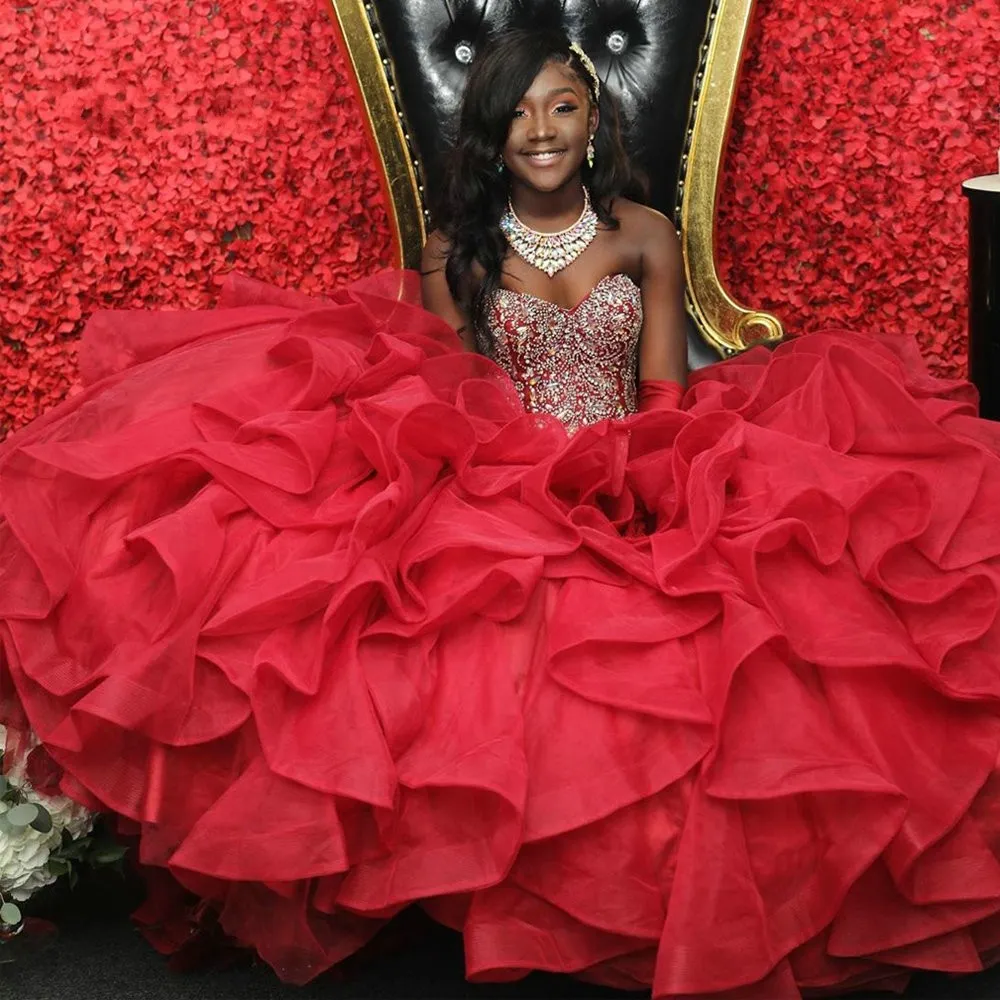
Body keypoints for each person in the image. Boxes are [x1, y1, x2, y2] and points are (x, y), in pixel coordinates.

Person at [3, 25, 1000, 1000]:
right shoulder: (457, 254)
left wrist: (641, 481)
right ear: (490, 132)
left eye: (563, 106)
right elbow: (448, 395)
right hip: (500, 478)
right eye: (519, 112)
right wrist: (514, 483)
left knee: (763, 623)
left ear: (592, 122)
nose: (543, 128)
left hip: (640, 464)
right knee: (434, 629)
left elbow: (663, 394)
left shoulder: (644, 237)